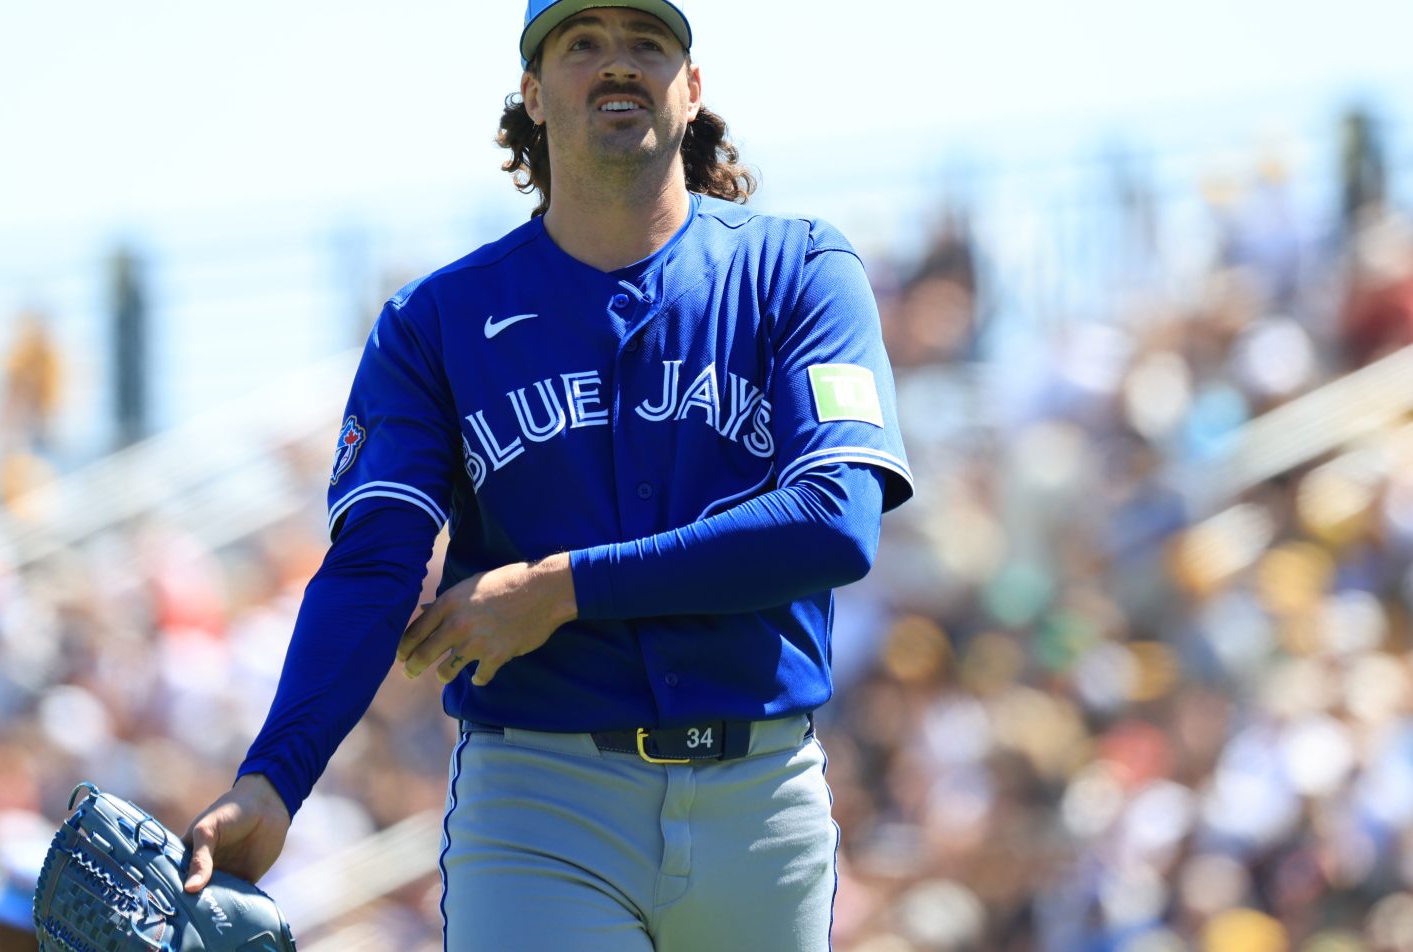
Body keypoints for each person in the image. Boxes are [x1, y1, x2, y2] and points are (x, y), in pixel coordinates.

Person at [182, 1, 914, 948]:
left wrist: (561, 589)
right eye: (581, 44)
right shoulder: (435, 322)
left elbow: (834, 521)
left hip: (762, 802)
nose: (617, 64)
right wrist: (272, 780)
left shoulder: (800, 270)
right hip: (542, 804)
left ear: (691, 89)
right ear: (531, 94)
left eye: (647, 42)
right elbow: (374, 567)